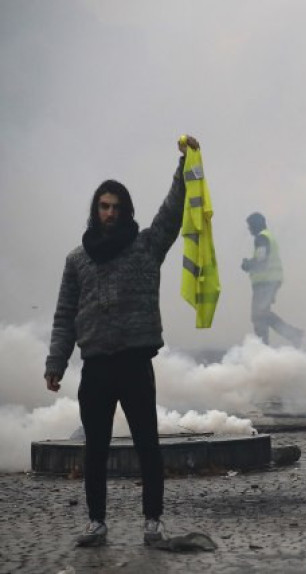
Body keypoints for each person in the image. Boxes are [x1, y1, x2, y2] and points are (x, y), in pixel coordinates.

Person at [44, 135, 200, 547]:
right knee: (95, 448)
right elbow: (64, 316)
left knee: (147, 444)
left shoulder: (145, 247)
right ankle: (97, 522)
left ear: (126, 210)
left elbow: (171, 214)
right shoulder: (77, 260)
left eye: (116, 207)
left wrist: (184, 168)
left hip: (134, 362)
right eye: (104, 206)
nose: (110, 213)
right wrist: (55, 364)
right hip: (95, 365)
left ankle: (153, 523)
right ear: (96, 210)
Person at [241, 212, 303, 347]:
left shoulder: (262, 238)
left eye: (250, 226)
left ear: (257, 225)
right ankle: (290, 335)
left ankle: (264, 346)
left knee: (258, 315)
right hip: (269, 281)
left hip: (266, 282)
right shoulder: (266, 237)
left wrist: (247, 265)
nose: (249, 229)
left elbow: (261, 261)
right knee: (262, 314)